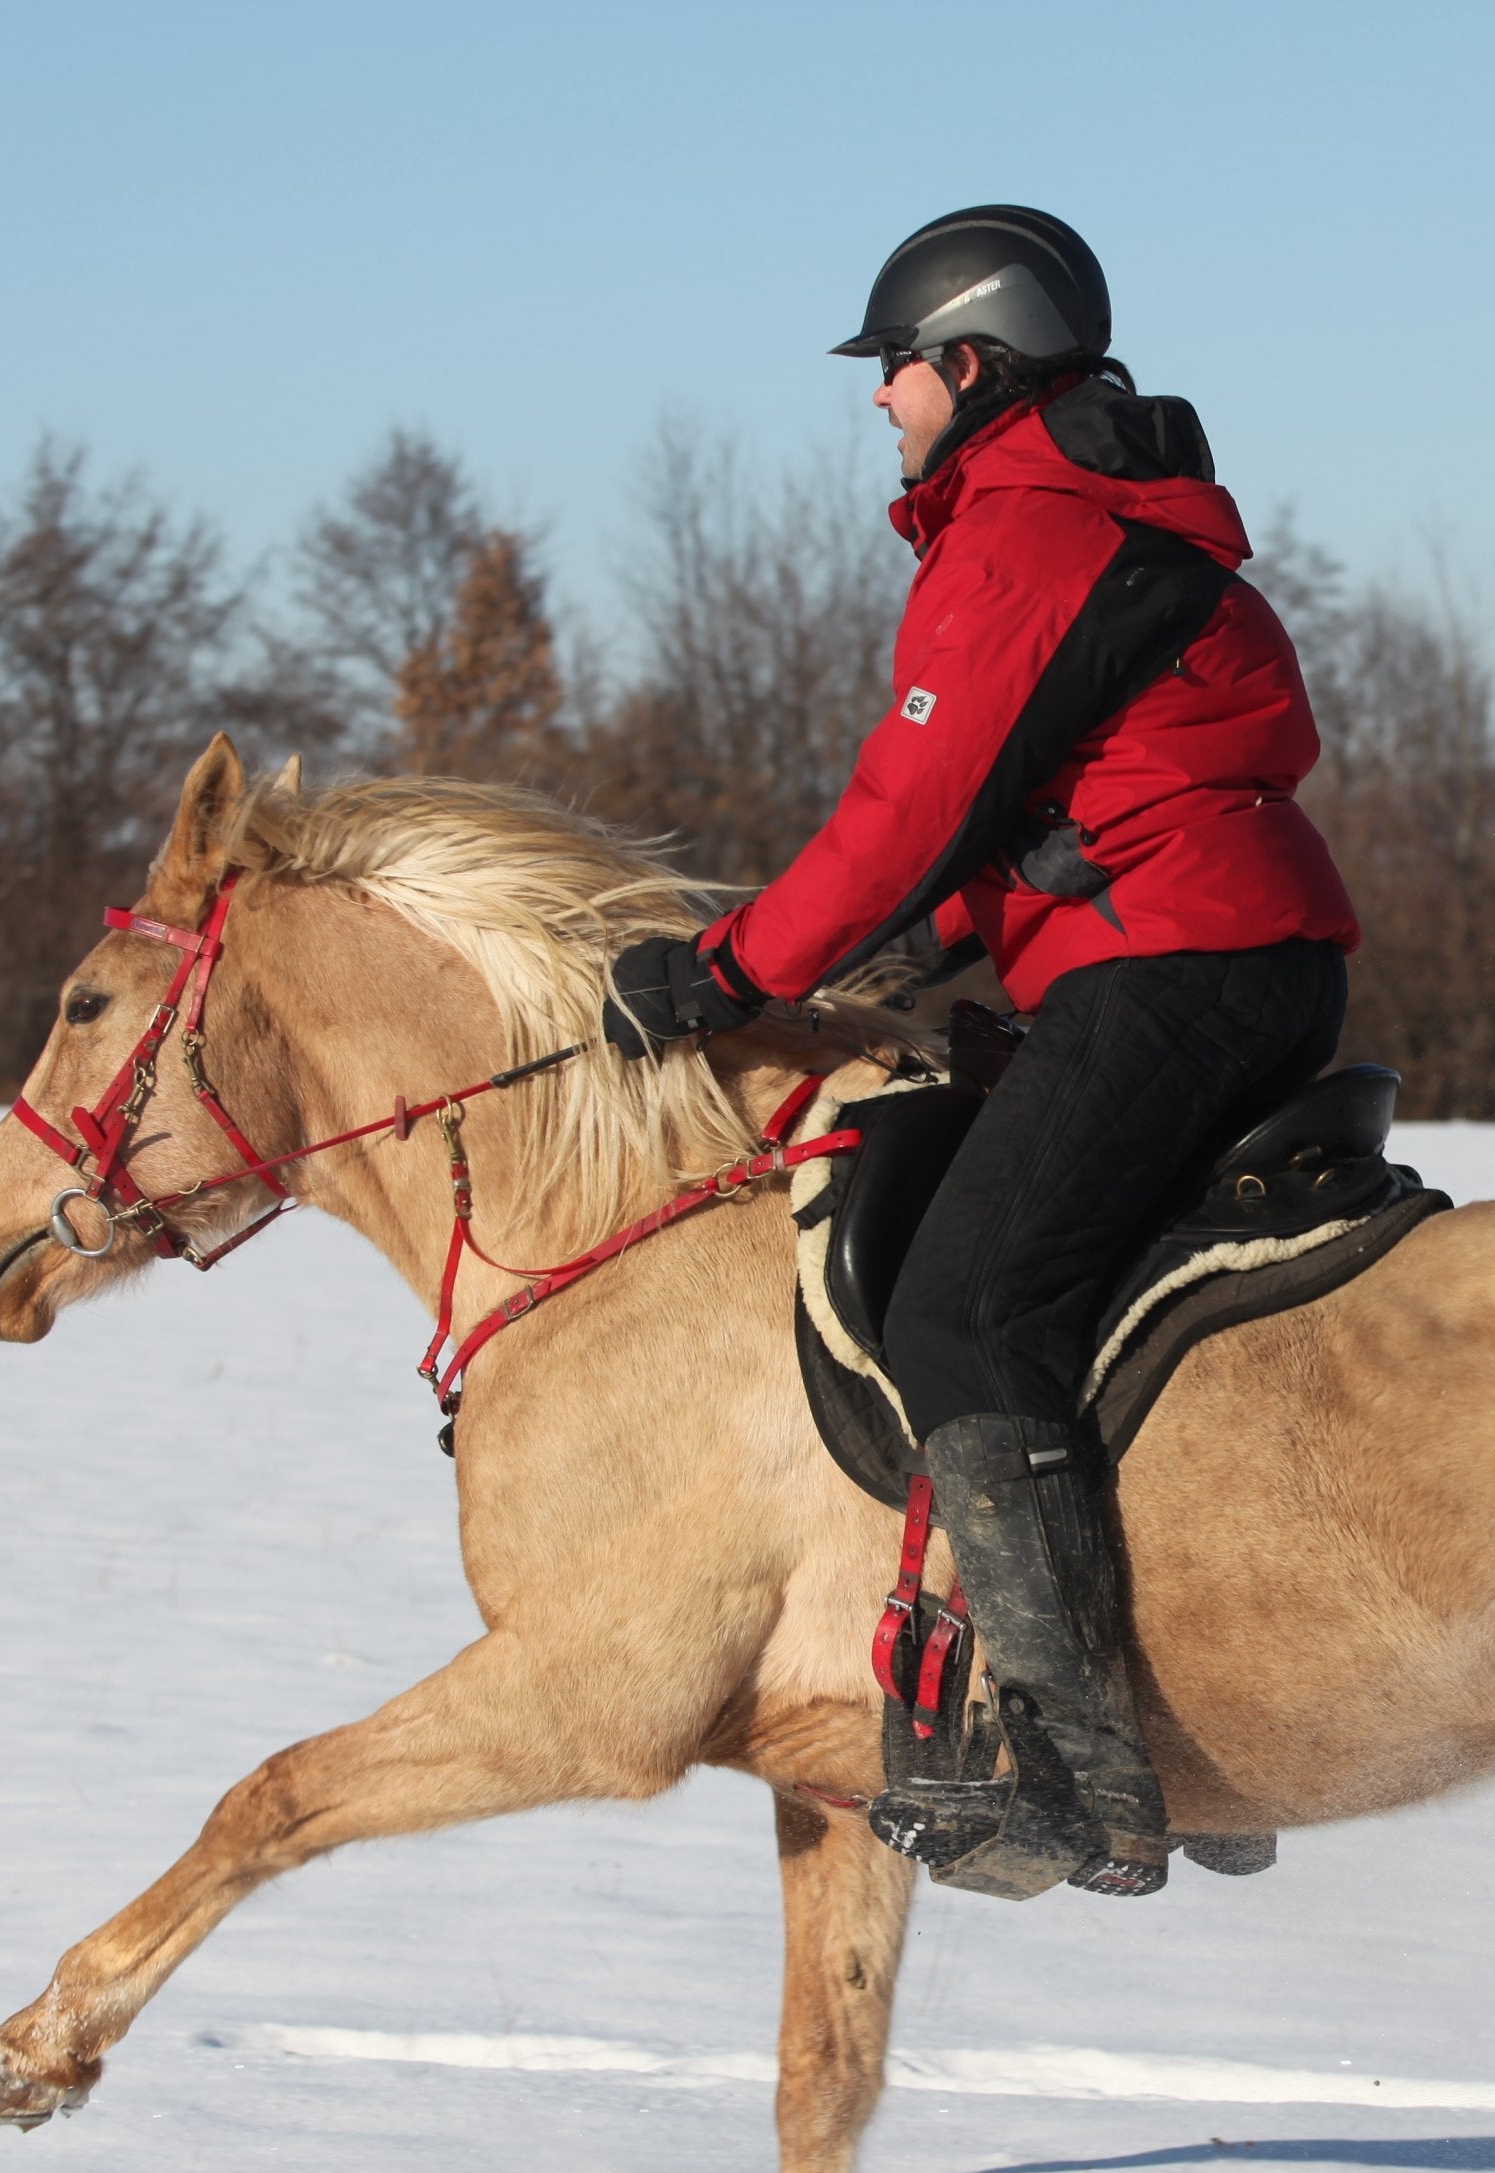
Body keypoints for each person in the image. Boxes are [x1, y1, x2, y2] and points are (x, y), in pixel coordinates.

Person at [603, 206, 1358, 1901]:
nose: (877, 404)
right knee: (1047, 1274)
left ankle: (1090, 1766)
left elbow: (908, 805)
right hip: (1228, 948)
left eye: (890, 372)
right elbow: (1090, 798)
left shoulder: (1019, 531)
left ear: (967, 362)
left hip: (1170, 970)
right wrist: (945, 939)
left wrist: (731, 965)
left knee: (960, 1307)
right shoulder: (1104, 515)